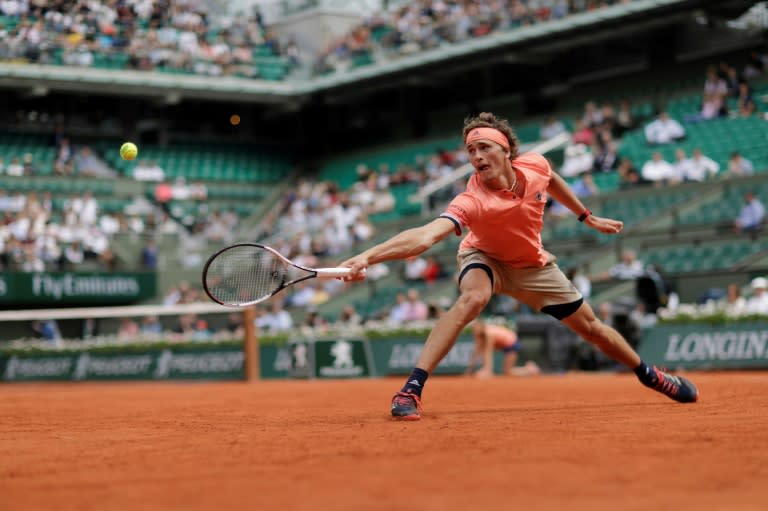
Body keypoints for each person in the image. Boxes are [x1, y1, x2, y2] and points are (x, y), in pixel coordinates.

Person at [340, 112, 699, 420]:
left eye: (484, 147)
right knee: (472, 299)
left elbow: (552, 179)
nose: (477, 156)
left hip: (533, 265)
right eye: (470, 150)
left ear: (506, 150)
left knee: (592, 328)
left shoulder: (536, 164)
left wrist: (584, 215)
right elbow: (424, 237)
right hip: (484, 258)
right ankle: (411, 389)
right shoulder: (472, 199)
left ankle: (650, 375)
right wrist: (367, 257)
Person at [465, 318, 539, 378]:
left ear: (481, 326)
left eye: (476, 327)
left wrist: (488, 371)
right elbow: (476, 352)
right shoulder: (479, 336)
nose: (475, 329)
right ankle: (529, 369)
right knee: (507, 372)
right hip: (504, 345)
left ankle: (529, 370)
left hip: (512, 343)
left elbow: (488, 352)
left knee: (507, 372)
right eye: (474, 328)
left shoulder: (489, 333)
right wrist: (469, 371)